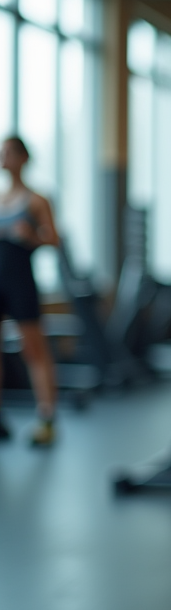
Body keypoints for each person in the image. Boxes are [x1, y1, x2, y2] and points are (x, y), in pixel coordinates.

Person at [0, 137, 60, 446]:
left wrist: (31, 236)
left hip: (21, 280)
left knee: (33, 350)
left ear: (23, 158)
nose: (3, 157)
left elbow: (54, 240)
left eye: (9, 152)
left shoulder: (37, 200)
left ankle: (47, 420)